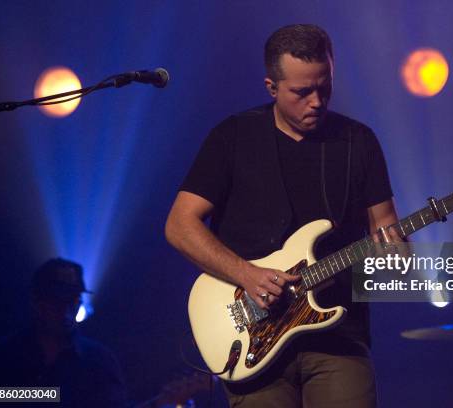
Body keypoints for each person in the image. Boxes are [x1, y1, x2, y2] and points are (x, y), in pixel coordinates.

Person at [166, 24, 402, 407]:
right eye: (301, 92)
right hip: (253, 333)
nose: (316, 101)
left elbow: (389, 234)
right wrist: (246, 274)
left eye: (324, 87)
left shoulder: (358, 141)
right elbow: (179, 225)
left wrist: (395, 254)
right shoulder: (234, 137)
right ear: (271, 87)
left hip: (338, 335)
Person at [0, 258, 126, 408]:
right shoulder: (5, 355)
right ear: (37, 302)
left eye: (73, 300)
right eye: (57, 300)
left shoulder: (100, 362)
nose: (66, 310)